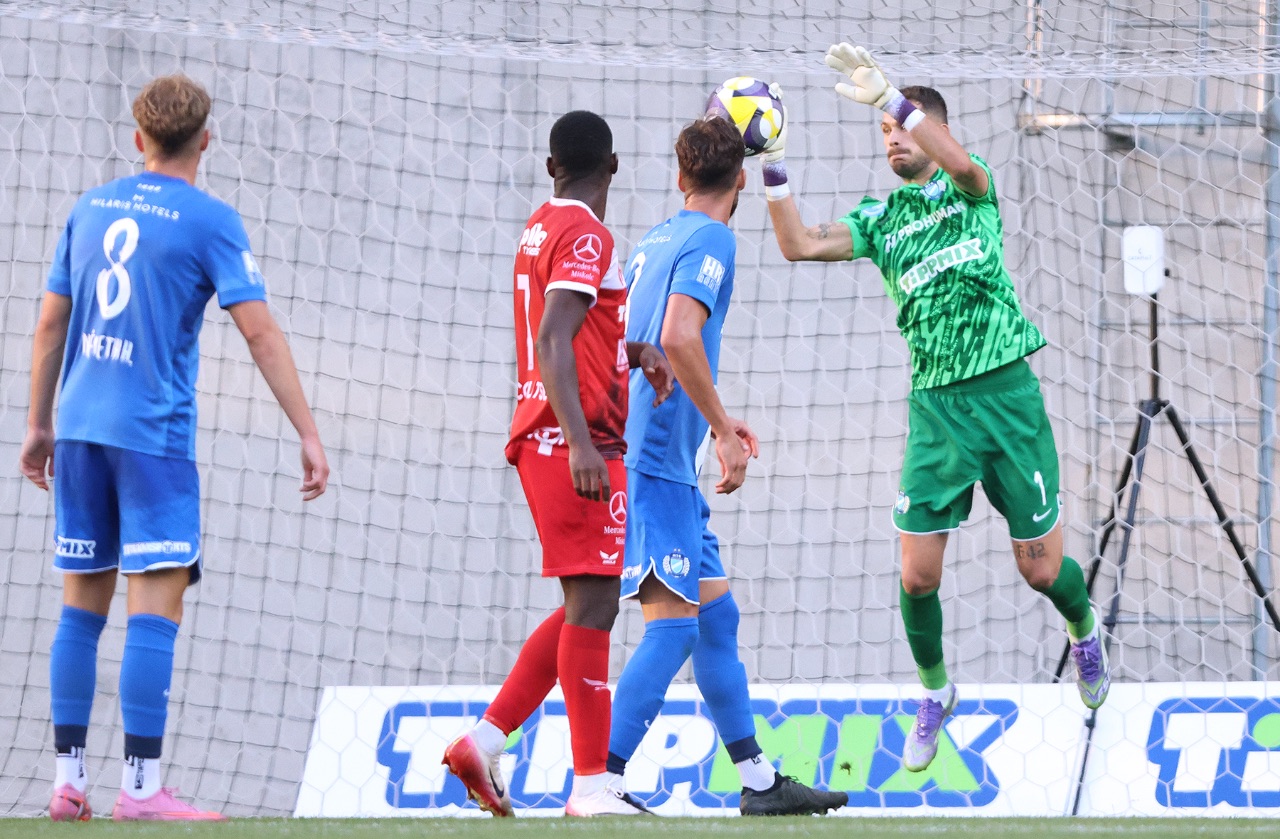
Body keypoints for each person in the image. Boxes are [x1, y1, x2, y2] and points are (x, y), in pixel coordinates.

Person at [757, 43, 1112, 773]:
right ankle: (935, 690)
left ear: (933, 131)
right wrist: (773, 161)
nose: (891, 139)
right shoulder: (880, 220)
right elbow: (796, 245)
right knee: (917, 575)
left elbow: (960, 163)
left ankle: (1083, 627)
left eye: (900, 129)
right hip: (937, 413)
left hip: (1007, 400)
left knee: (1042, 572)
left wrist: (896, 99)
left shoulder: (970, 188)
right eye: (883, 132)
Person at [20, 74, 329, 822]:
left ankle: (68, 782)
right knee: (154, 607)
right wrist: (308, 432)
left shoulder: (90, 207)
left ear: (139, 139)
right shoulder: (210, 220)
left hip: (80, 427)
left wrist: (37, 425)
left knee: (79, 609)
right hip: (151, 437)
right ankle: (139, 790)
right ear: (206, 141)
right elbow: (259, 332)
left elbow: (50, 324)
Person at [604, 115, 849, 817]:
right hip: (656, 460)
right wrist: (722, 430)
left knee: (716, 619)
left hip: (662, 455)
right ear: (741, 179)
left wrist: (717, 415)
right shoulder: (714, 238)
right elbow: (679, 336)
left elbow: (648, 340)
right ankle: (601, 781)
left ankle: (759, 780)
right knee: (674, 627)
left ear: (681, 176)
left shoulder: (656, 238)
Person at [442, 110, 674, 818]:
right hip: (570, 440)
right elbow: (551, 338)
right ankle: (591, 783)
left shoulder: (540, 226)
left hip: (546, 435)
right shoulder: (587, 233)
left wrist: (632, 351)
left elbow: (577, 331)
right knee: (597, 606)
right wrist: (578, 442)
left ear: (552, 167)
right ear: (614, 166)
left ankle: (484, 740)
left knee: (585, 603)